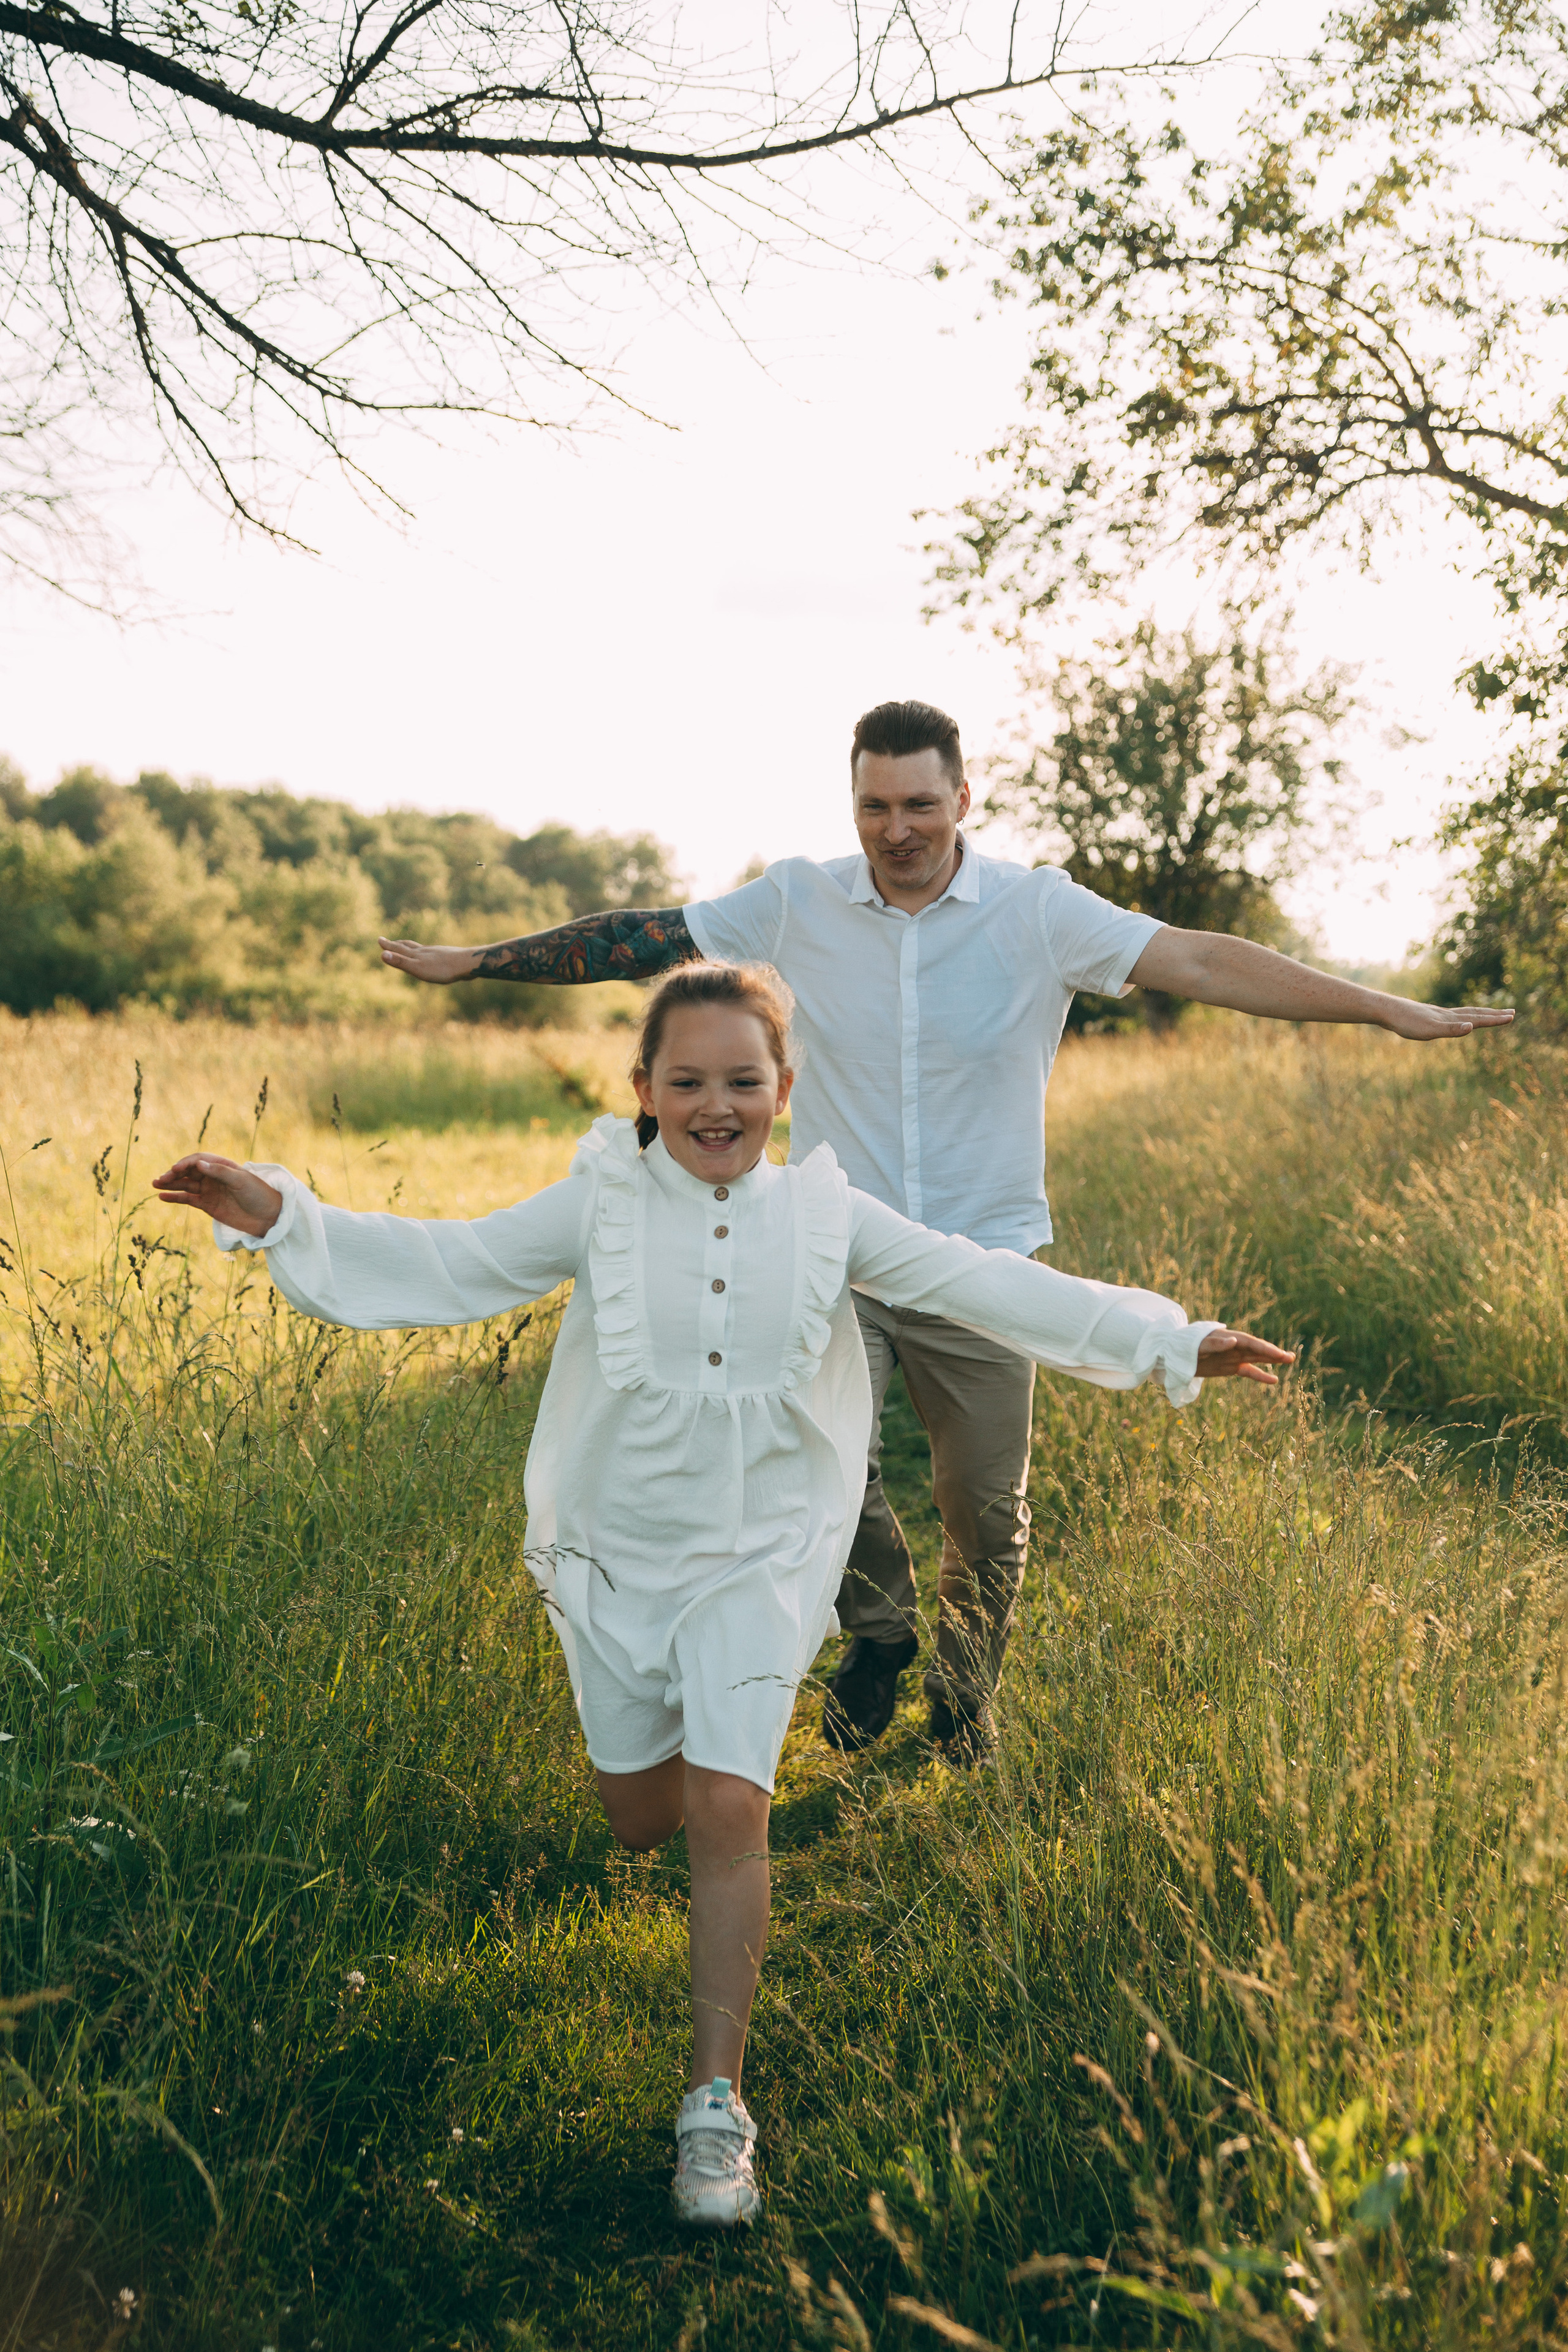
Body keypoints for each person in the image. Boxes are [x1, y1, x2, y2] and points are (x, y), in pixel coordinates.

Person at [153, 963, 1292, 2229]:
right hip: (618, 1546)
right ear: (641, 1091)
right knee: (640, 1816)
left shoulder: (828, 1216)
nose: (715, 1104)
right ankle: (677, 1750)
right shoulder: (598, 1201)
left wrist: (1168, 1338)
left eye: (741, 1081)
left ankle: (713, 2113)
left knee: (727, 1804)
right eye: (685, 1080)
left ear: (782, 1090)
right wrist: (278, 1213)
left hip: (762, 1549)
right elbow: (451, 1263)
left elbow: (988, 1284)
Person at [379, 701, 1512, 1763]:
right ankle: (877, 1631)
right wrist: (481, 961)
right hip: (838, 1247)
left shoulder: (1039, 911)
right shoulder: (795, 902)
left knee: (984, 1503)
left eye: (919, 805)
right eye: (874, 807)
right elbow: (643, 938)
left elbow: (1205, 960)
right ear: (853, 806)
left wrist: (1382, 1006)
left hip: (984, 1257)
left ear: (965, 798)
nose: (896, 830)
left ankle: (965, 1696)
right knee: (805, 1459)